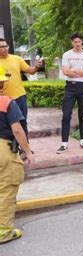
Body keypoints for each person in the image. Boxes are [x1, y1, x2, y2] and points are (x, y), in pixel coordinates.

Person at [0, 66, 34, 244]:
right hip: (3, 149)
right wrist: (27, 151)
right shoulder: (7, 102)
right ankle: (4, 232)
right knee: (6, 189)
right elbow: (17, 129)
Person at [57, 32, 83, 154]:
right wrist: (80, 71)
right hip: (70, 87)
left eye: (79, 41)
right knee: (66, 115)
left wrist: (74, 70)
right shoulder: (67, 54)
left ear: (82, 42)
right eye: (75, 42)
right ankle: (64, 143)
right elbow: (66, 72)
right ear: (72, 42)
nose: (77, 44)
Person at [0, 38, 43, 138]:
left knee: (23, 123)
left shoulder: (17, 59)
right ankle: (12, 150)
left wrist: (36, 66)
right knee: (8, 125)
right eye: (1, 47)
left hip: (20, 96)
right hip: (4, 99)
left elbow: (31, 71)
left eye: (5, 46)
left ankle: (25, 148)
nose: (4, 48)